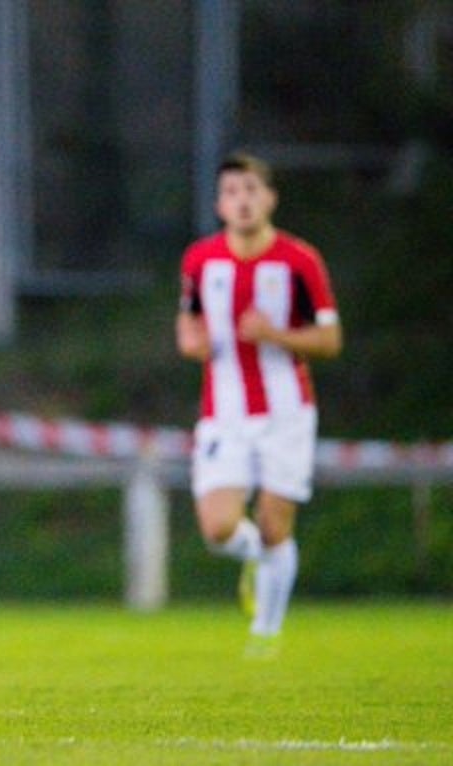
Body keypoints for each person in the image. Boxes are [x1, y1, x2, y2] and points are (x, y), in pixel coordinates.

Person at [176, 152, 342, 657]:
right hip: (223, 413)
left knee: (274, 524)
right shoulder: (200, 260)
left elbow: (330, 340)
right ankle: (258, 561)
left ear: (270, 198)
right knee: (217, 528)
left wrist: (276, 335)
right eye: (232, 192)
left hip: (286, 412)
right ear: (219, 205)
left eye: (251, 190)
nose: (242, 201)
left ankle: (266, 637)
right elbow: (188, 323)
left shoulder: (299, 261)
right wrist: (193, 344)